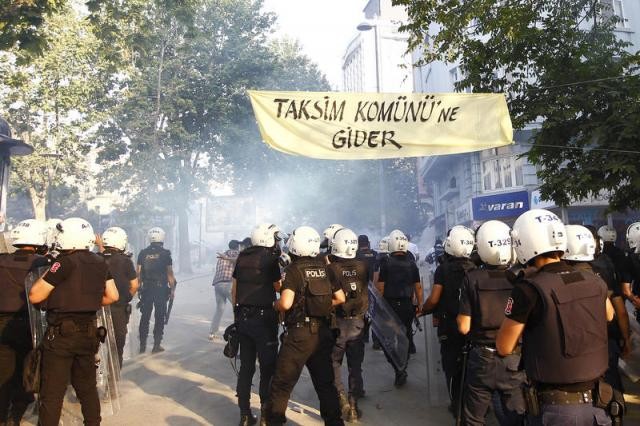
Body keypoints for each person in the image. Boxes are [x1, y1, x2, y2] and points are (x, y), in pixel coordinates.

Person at [497, 209, 614, 425]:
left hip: (556, 410)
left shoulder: (528, 290)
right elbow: (609, 314)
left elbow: (504, 346)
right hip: (599, 405)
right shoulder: (594, 280)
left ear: (523, 243)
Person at [28, 218, 119, 426]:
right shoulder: (100, 262)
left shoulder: (64, 262)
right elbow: (113, 296)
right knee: (87, 388)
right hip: (89, 332)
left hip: (61, 335)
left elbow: (35, 295)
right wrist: (89, 303)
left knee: (52, 392)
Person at [267, 226, 346, 426]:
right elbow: (340, 298)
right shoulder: (326, 268)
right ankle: (335, 422)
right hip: (323, 333)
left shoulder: (293, 270)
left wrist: (274, 305)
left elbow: (285, 303)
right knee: (325, 384)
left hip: (299, 336)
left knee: (282, 384)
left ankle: (275, 422)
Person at [456, 220, 526, 425]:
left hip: (482, 358)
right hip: (515, 357)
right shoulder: (520, 278)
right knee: (519, 416)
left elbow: (463, 326)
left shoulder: (472, 278)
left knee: (474, 418)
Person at [421, 225, 476, 414]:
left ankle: (456, 403)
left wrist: (424, 310)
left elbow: (434, 299)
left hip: (449, 326)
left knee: (452, 366)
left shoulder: (443, 270)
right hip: (473, 325)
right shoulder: (477, 268)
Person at [232, 224, 282, 426]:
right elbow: (278, 287)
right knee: (268, 368)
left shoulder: (241, 257)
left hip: (243, 318)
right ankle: (265, 416)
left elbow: (234, 291)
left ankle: (244, 415)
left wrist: (237, 318)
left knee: (246, 367)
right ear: (268, 239)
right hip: (265, 319)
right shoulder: (271, 260)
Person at [0, 220, 47, 426]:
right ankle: (15, 416)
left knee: (3, 371)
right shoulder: (42, 263)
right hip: (30, 324)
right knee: (26, 370)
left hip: (2, 325)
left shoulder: (1, 260)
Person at [328, 228, 369, 421]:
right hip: (357, 323)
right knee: (355, 364)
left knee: (335, 363)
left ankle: (341, 398)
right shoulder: (363, 266)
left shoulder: (332, 269)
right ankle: (353, 404)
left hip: (337, 322)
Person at [376, 229, 423, 387]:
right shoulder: (412, 264)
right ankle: (403, 365)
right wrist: (420, 305)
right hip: (407, 306)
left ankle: (397, 367)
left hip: (389, 306)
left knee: (388, 338)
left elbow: (380, 288)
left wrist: (379, 307)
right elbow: (418, 287)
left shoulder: (386, 263)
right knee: (405, 335)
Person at [99, 226, 138, 367]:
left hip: (97, 309)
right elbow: (134, 285)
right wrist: (126, 298)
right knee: (117, 346)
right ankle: (114, 377)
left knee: (95, 346)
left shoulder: (95, 258)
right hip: (118, 309)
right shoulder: (126, 261)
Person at [137, 227, 176, 354]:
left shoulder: (142, 253)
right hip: (160, 289)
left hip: (146, 289)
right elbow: (170, 274)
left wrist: (139, 288)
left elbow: (138, 274)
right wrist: (172, 289)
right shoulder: (166, 254)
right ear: (162, 238)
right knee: (159, 317)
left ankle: (142, 346)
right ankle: (156, 345)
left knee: (145, 317)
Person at [209, 240, 240, 340]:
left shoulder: (223, 254)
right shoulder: (237, 254)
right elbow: (238, 261)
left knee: (219, 308)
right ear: (237, 247)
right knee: (237, 307)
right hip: (229, 283)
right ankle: (239, 330)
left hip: (218, 284)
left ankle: (212, 332)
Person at [355, 234, 377, 345]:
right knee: (374, 314)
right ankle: (376, 341)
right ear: (368, 243)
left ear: (358, 244)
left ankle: (364, 336)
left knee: (363, 312)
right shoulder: (375, 254)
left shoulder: (356, 255)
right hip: (375, 288)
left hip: (361, 288)